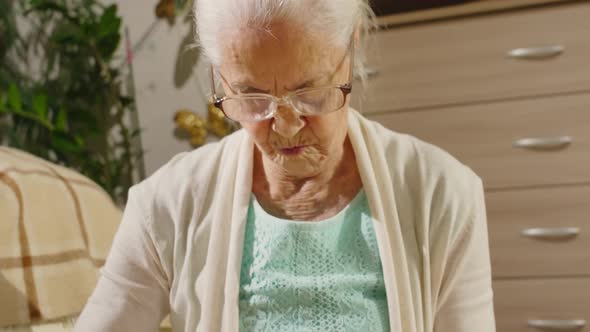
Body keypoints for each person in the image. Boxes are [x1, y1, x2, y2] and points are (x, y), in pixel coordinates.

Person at [74, 0, 496, 331]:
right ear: (219, 78)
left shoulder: (443, 194)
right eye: (253, 99)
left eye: (309, 92)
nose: (287, 127)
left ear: (352, 43)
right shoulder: (165, 204)